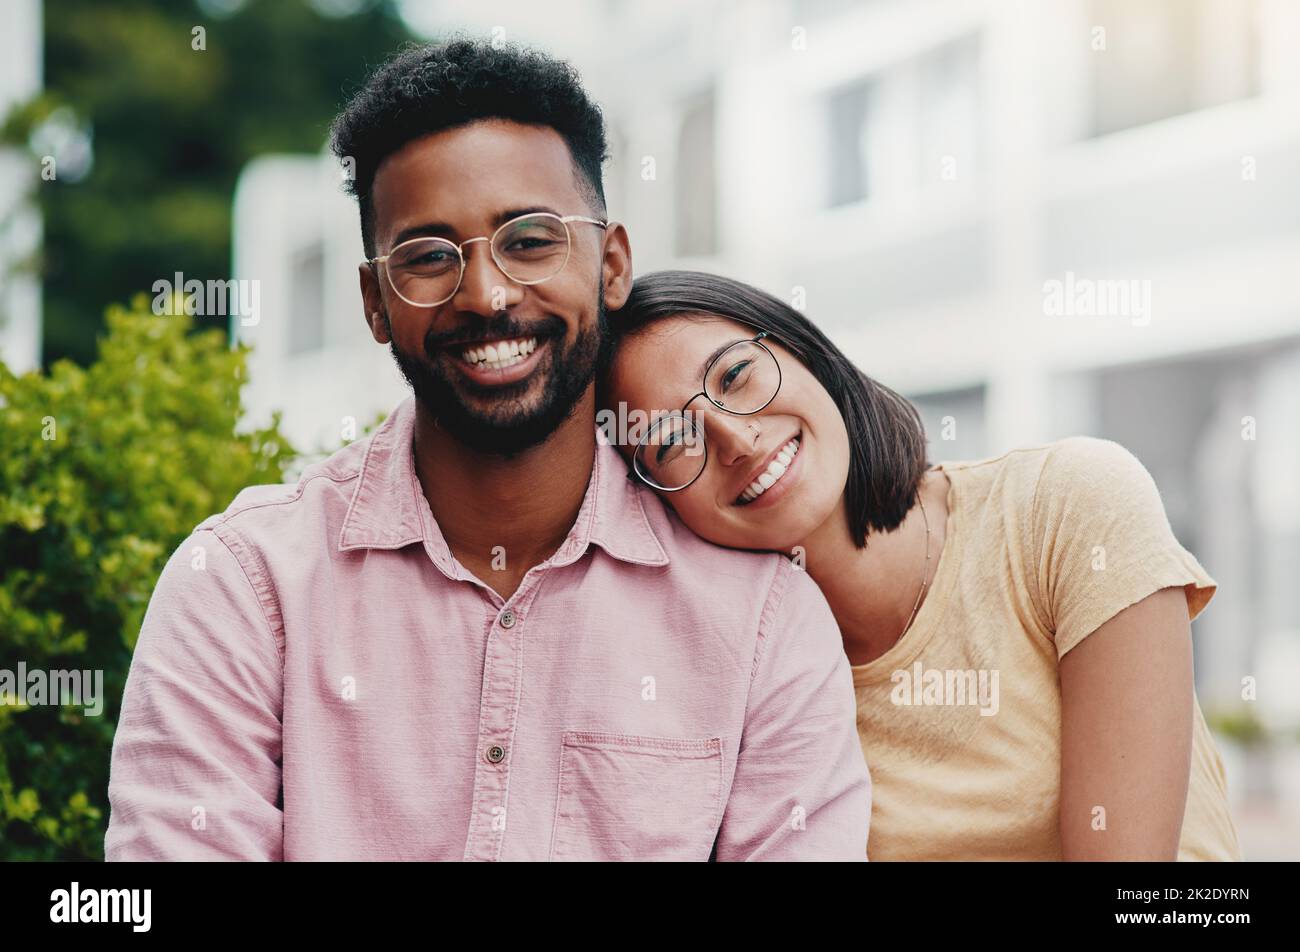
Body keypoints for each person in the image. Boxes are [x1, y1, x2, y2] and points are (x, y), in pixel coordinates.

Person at [104, 40, 870, 861]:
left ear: (610, 265)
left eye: (531, 240)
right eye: (428, 257)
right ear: (373, 302)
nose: (487, 295)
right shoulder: (243, 588)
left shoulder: (759, 620)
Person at [599, 269, 1241, 860]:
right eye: (671, 442)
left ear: (805, 352)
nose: (736, 440)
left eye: (737, 377)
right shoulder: (745, 680)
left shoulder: (1070, 504)